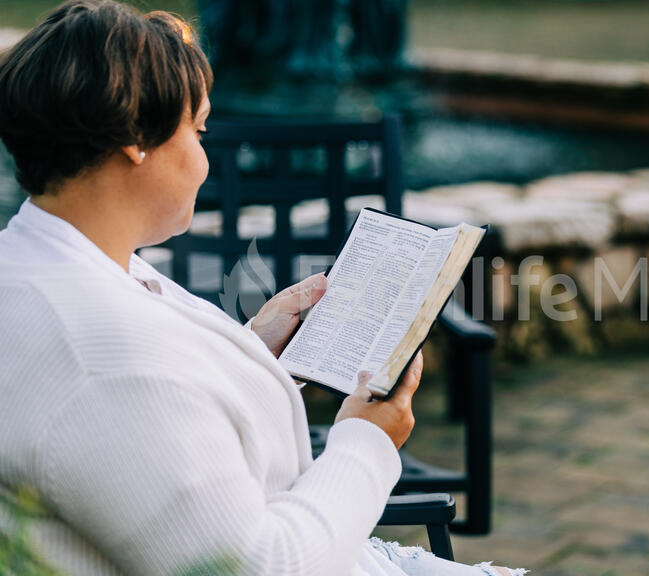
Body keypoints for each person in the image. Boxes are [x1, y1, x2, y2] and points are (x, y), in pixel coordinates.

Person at [0, 2, 525, 575]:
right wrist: (366, 441)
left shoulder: (49, 264)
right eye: (198, 131)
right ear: (134, 138)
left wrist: (256, 348)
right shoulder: (99, 359)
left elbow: (163, 428)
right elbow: (259, 566)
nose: (204, 159)